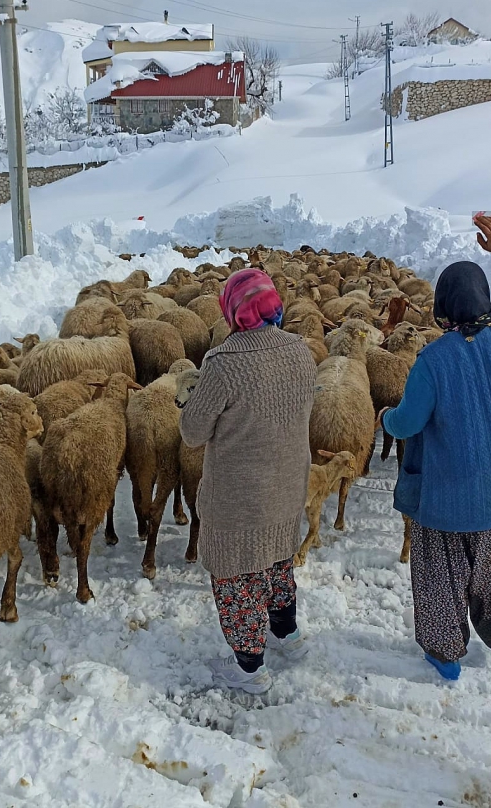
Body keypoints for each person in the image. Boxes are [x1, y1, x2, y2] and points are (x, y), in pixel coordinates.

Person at [379, 215, 491, 681]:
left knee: (440, 574)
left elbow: (406, 424)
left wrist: (384, 417)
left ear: (443, 308)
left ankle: (445, 654)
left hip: (451, 497)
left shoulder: (434, 359)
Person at [179, 268, 317, 694]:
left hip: (241, 497)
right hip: (288, 482)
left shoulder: (223, 364)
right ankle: (287, 636)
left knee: (237, 577)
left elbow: (192, 432)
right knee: (277, 561)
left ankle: (249, 668)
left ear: (232, 310)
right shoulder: (300, 350)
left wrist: (190, 398)